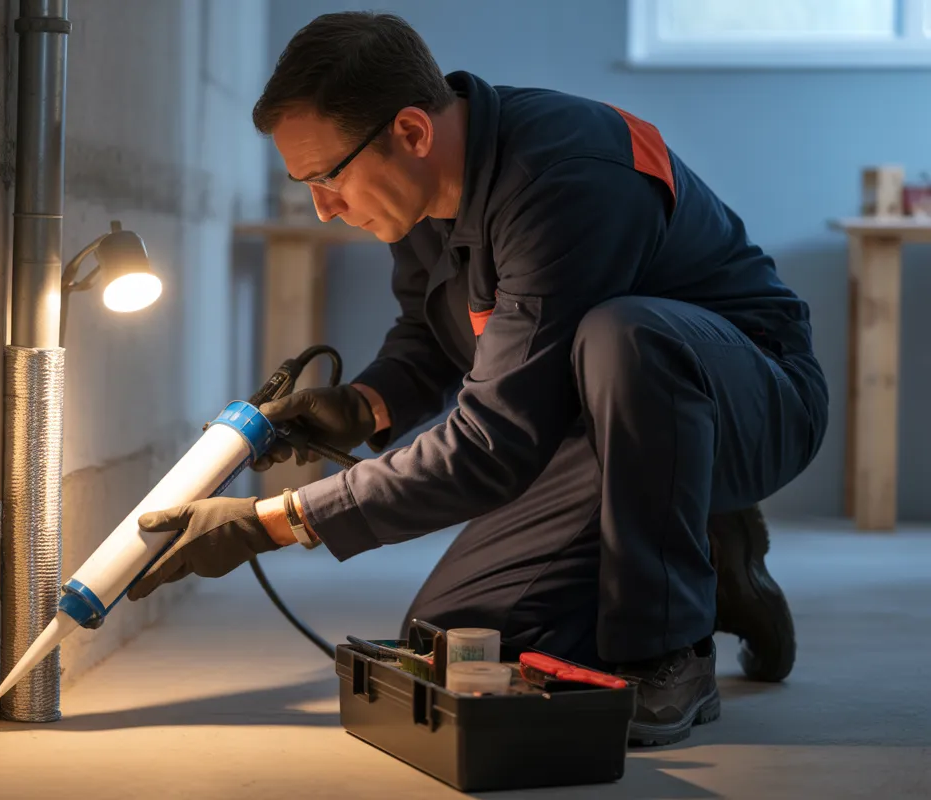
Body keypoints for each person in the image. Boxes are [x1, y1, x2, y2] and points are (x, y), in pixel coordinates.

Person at [126, 11, 828, 747]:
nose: (323, 208)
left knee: (627, 335)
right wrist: (361, 406)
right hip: (600, 433)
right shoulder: (426, 193)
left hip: (749, 407)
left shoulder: (567, 180)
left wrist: (278, 520)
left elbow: (496, 442)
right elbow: (432, 338)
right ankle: (716, 559)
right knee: (460, 639)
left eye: (327, 176)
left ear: (411, 132)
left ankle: (672, 646)